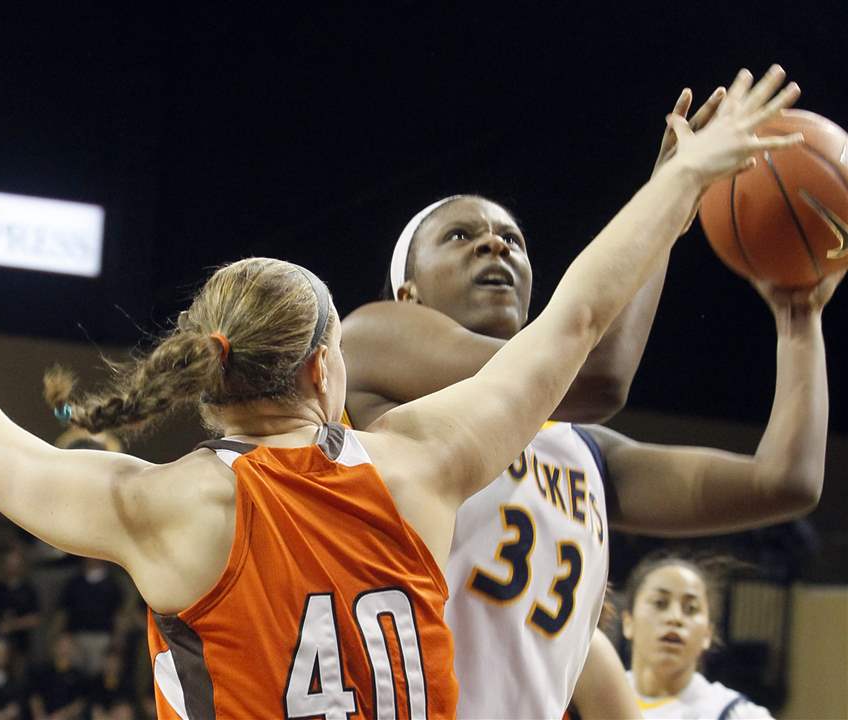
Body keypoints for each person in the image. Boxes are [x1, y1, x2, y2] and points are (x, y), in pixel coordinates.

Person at [0, 77, 797, 716]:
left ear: (206, 372)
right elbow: (577, 322)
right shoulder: (426, 467)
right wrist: (682, 185)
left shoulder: (160, 508)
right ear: (329, 371)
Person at [341, 66, 831, 719]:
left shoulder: (585, 450)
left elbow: (785, 482)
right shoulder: (372, 339)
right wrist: (672, 196)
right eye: (460, 236)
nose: (495, 242)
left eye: (513, 240)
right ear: (410, 292)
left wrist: (799, 319)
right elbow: (599, 375)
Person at [622, 553, 773, 719]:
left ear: (708, 634)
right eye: (660, 603)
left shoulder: (734, 712)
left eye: (691, 608)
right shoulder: (595, 695)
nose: (675, 617)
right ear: (628, 622)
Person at [55, 558, 125, 676]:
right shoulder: (74, 584)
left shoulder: (113, 586)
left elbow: (119, 616)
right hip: (76, 637)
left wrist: (117, 639)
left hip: (103, 639)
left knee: (100, 673)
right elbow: (63, 612)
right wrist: (61, 634)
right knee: (71, 671)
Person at [0, 548, 40, 674]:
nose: (12, 568)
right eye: (9, 564)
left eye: (15, 565)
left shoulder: (29, 590)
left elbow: (35, 619)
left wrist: (13, 625)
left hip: (20, 646)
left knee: (17, 677)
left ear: (21, 566)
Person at [27, 634, 88, 720]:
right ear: (54, 648)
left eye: (68, 646)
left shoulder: (79, 675)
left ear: (73, 650)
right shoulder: (42, 671)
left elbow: (80, 703)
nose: (64, 650)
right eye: (61, 645)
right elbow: (35, 696)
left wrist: (62, 716)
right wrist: (39, 715)